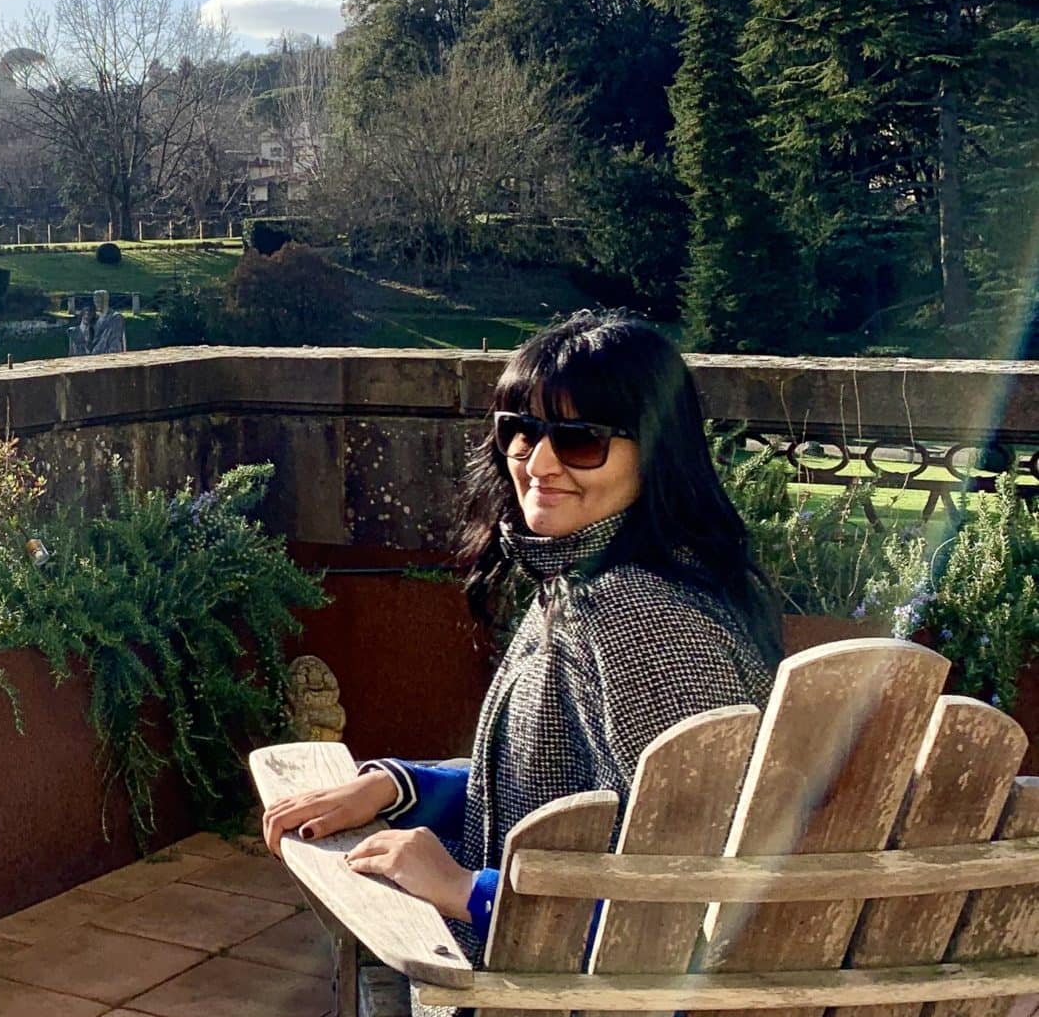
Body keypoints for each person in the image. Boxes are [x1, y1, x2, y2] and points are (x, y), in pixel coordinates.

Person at [260, 311, 781, 955]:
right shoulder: (588, 574)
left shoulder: (641, 616)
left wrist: (463, 889)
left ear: (656, 451)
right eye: (522, 431)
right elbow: (553, 791)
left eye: (581, 440)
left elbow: (686, 899)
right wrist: (400, 786)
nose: (539, 462)